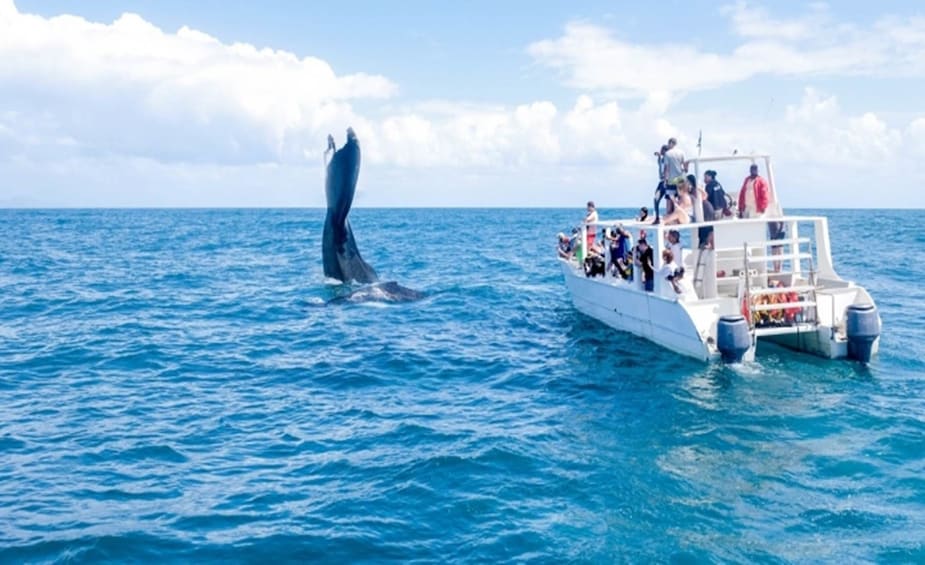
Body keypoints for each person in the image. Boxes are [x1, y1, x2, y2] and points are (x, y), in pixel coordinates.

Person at [655, 137, 687, 224]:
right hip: (680, 180)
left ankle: (669, 216)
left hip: (671, 180)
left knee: (669, 199)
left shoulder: (668, 154)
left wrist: (665, 180)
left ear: (670, 143)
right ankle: (679, 216)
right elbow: (685, 166)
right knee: (681, 199)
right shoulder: (682, 152)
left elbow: (666, 169)